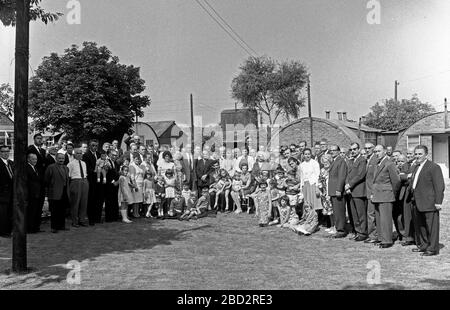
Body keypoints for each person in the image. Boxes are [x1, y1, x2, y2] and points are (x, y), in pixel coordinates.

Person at [407, 145, 445, 256]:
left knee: (431, 227)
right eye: (416, 154)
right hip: (416, 202)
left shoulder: (433, 167)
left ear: (426, 155)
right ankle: (423, 245)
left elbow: (439, 186)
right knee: (420, 226)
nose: (417, 156)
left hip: (429, 202)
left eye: (420, 154)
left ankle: (432, 248)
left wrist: (438, 202)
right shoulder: (416, 167)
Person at [370, 145, 401, 248]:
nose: (376, 153)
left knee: (386, 219)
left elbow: (396, 181)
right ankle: (381, 238)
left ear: (384, 151)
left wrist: (392, 193)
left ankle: (387, 240)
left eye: (378, 151)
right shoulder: (377, 163)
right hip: (377, 195)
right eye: (375, 151)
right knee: (379, 219)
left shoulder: (389, 163)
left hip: (386, 195)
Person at [345, 143, 368, 242]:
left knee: (361, 214)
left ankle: (363, 233)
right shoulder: (351, 161)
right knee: (354, 214)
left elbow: (360, 175)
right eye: (351, 149)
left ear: (359, 149)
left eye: (355, 149)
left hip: (358, 190)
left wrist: (350, 184)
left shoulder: (362, 160)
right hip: (351, 191)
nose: (353, 151)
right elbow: (348, 174)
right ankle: (358, 232)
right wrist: (347, 186)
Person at [44, 153, 70, 233]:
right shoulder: (51, 167)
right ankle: (54, 227)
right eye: (59, 158)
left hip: (64, 192)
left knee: (62, 210)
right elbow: (46, 180)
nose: (61, 160)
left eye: (63, 158)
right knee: (55, 211)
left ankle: (61, 226)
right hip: (54, 192)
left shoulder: (66, 168)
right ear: (56, 158)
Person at [328, 144, 348, 238]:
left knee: (339, 211)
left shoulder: (341, 161)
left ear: (338, 151)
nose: (332, 152)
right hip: (333, 191)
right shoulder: (334, 161)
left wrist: (339, 189)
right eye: (331, 150)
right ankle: (338, 228)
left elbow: (341, 176)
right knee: (336, 211)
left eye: (334, 150)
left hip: (337, 191)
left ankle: (341, 230)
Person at [67, 148, 89, 227]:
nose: (79, 155)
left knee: (84, 202)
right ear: (74, 154)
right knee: (75, 202)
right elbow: (68, 176)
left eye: (80, 153)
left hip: (84, 181)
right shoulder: (70, 164)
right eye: (77, 153)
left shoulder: (84, 163)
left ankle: (82, 219)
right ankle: (74, 221)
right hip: (75, 181)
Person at [82, 139, 102, 226]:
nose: (94, 147)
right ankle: (91, 219)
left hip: (99, 180)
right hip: (91, 180)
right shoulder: (86, 155)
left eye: (96, 146)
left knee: (99, 200)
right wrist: (95, 172)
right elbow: (87, 168)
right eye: (93, 145)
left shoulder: (99, 154)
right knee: (91, 200)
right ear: (90, 146)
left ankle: (98, 218)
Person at [363, 143, 379, 244]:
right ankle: (372, 234)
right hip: (368, 191)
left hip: (372, 192)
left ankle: (373, 235)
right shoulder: (368, 159)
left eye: (369, 148)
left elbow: (375, 178)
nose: (367, 150)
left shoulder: (374, 159)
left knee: (371, 215)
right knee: (370, 214)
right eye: (366, 148)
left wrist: (373, 192)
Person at [300, 148, 322, 213]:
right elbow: (302, 177)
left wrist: (317, 187)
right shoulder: (302, 165)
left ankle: (315, 219)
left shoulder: (314, 163)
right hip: (305, 185)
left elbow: (317, 175)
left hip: (313, 184)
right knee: (307, 203)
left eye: (309, 154)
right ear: (303, 155)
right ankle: (309, 219)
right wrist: (301, 188)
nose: (307, 156)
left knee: (313, 203)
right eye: (305, 154)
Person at [26, 153, 43, 233]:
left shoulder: (35, 167)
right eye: (33, 159)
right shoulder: (27, 167)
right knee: (31, 211)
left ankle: (36, 227)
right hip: (31, 193)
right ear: (28, 159)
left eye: (36, 159)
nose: (35, 161)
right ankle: (30, 228)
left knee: (37, 211)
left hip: (37, 193)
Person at [318, 154, 335, 234]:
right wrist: (320, 189)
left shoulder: (332, 169)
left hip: (331, 191)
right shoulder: (322, 170)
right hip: (324, 192)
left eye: (327, 161)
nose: (325, 163)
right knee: (328, 210)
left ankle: (335, 226)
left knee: (333, 211)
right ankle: (331, 226)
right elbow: (320, 180)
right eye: (324, 162)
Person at [0, 145, 13, 238]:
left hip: (11, 193)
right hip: (2, 194)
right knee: (3, 214)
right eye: (3, 151)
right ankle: (3, 232)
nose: (6, 153)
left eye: (7, 151)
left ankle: (8, 231)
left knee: (10, 213)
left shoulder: (11, 163)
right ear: (0, 152)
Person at [105, 149, 121, 222]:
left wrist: (117, 181)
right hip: (109, 185)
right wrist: (113, 182)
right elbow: (107, 174)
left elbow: (116, 173)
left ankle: (115, 216)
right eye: (113, 155)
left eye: (115, 155)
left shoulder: (116, 163)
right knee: (109, 201)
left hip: (116, 185)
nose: (114, 156)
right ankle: (109, 218)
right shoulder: (106, 162)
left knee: (115, 201)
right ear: (109, 155)